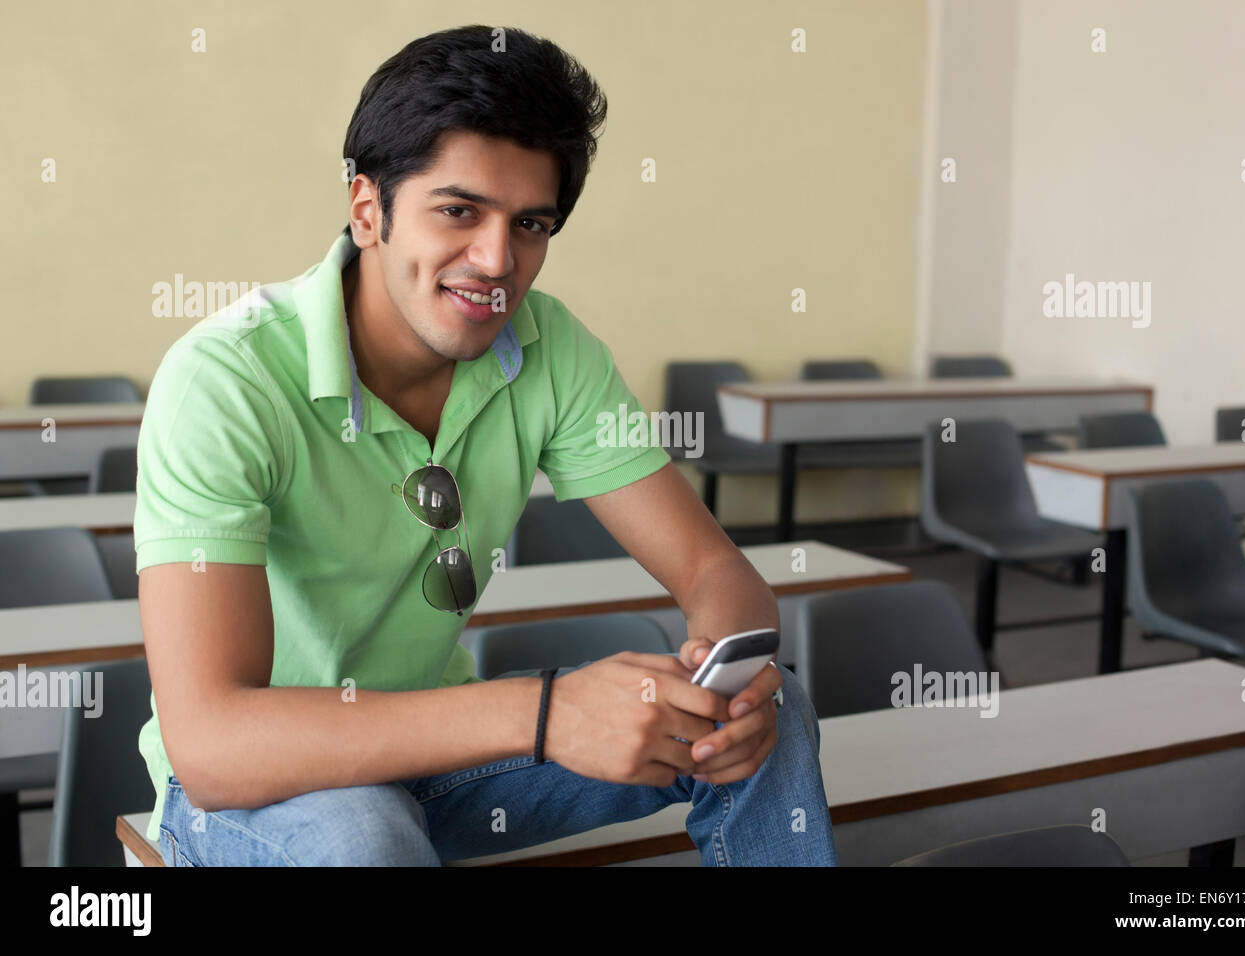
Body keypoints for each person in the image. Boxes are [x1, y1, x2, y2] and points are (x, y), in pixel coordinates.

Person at [135, 24, 835, 866]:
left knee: (777, 710)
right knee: (363, 835)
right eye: (459, 210)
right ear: (368, 208)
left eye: (530, 223)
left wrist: (731, 679)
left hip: (441, 758)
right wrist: (546, 714)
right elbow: (212, 746)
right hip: (254, 791)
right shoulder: (225, 379)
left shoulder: (548, 347)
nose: (498, 259)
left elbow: (716, 572)